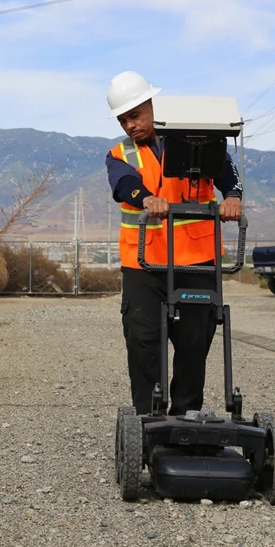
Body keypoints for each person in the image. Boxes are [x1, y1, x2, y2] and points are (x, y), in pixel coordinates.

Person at [104, 71, 243, 416]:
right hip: (143, 263)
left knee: (195, 339)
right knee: (142, 337)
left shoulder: (198, 140)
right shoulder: (120, 154)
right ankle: (148, 417)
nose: (129, 125)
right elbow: (124, 185)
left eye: (134, 115)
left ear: (153, 105)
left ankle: (186, 413)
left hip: (196, 259)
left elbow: (228, 175)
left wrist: (234, 198)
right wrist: (147, 198)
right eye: (123, 120)